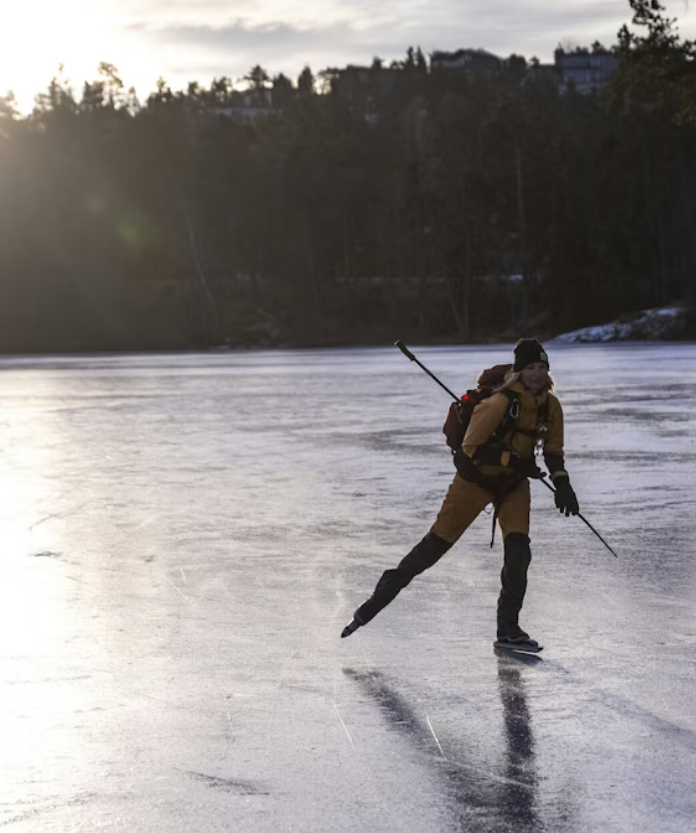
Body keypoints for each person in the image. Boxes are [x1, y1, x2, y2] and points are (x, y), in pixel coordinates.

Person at [341, 338, 579, 646]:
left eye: (542, 367)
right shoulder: (498, 403)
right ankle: (373, 604)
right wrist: (514, 462)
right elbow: (469, 449)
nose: (537, 373)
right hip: (474, 483)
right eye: (530, 367)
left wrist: (563, 484)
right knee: (430, 551)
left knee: (519, 555)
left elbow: (553, 449)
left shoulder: (551, 405)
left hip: (512, 487)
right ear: (519, 372)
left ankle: (508, 629)